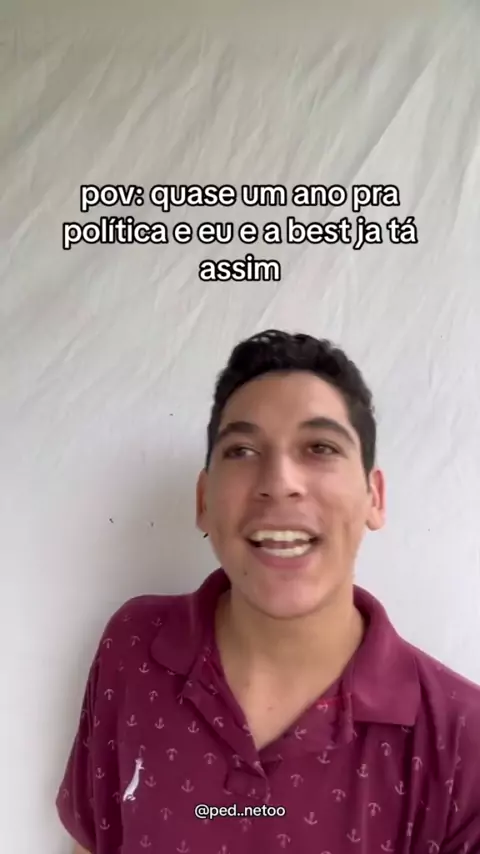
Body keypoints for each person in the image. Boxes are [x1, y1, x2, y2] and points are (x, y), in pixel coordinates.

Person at [56, 329, 480, 854]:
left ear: (374, 496)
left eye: (320, 447)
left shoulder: (462, 742)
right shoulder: (134, 646)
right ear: (204, 501)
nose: (279, 481)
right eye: (242, 450)